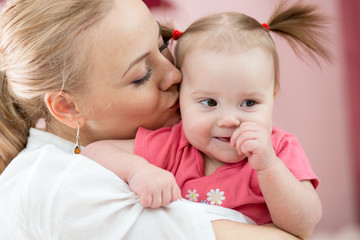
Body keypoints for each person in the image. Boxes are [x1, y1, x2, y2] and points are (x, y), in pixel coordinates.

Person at [0, 0, 303, 239]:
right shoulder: (69, 192)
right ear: (67, 107)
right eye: (141, 76)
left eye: (162, 47)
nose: (175, 75)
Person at [82, 1, 332, 239]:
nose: (230, 120)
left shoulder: (279, 149)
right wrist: (138, 171)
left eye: (249, 103)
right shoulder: (173, 145)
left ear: (272, 96)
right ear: (181, 98)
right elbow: (94, 151)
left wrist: (267, 166)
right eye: (209, 103)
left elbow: (304, 225)